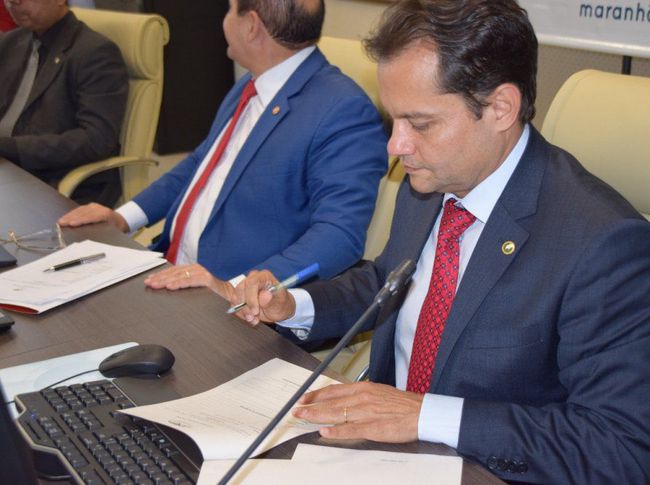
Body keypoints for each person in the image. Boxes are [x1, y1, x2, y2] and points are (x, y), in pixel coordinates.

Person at [227, 0, 650, 482]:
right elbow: (388, 282)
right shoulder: (432, 180)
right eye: (394, 120)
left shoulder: (604, 243)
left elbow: (620, 447)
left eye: (421, 124)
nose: (396, 146)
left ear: (500, 108)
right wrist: (295, 306)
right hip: (374, 456)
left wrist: (425, 415)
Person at [59, 0, 387, 292]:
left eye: (229, 8)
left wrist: (239, 290)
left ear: (251, 25)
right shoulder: (253, 83)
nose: (224, 18)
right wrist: (123, 218)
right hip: (168, 269)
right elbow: (202, 162)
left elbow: (339, 235)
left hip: (229, 306)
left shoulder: (343, 110)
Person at [0, 0, 128, 206]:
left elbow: (96, 140)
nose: (13, 2)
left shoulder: (95, 52)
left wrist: (10, 147)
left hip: (49, 179)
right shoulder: (12, 41)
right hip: (7, 170)